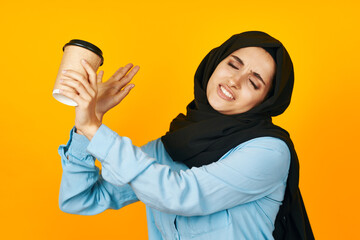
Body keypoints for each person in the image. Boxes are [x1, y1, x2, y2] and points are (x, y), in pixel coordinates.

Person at [57, 31, 314, 239]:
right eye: (232, 65)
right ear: (214, 64)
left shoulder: (268, 152)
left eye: (254, 82)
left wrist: (95, 129)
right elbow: (80, 199)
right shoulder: (169, 148)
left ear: (264, 102)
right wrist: (87, 124)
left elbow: (181, 194)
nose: (235, 80)